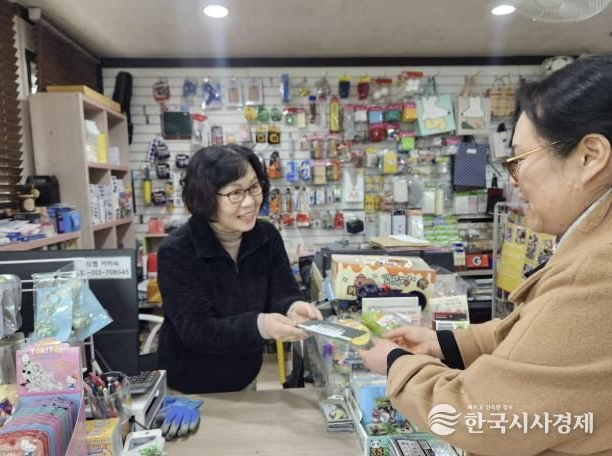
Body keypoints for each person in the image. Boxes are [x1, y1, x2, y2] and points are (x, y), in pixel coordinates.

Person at [360, 55, 612, 455]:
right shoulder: (591, 245)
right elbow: (535, 337)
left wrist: (395, 364)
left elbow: (477, 415)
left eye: (519, 160)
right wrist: (445, 344)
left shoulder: (598, 269)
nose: (515, 181)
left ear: (590, 156)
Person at [157, 144, 322, 394]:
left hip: (245, 377)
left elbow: (281, 292)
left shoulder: (266, 237)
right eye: (235, 193)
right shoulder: (177, 250)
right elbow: (197, 331)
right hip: (188, 387)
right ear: (206, 197)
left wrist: (292, 307)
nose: (250, 202)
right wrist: (261, 325)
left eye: (254, 187)